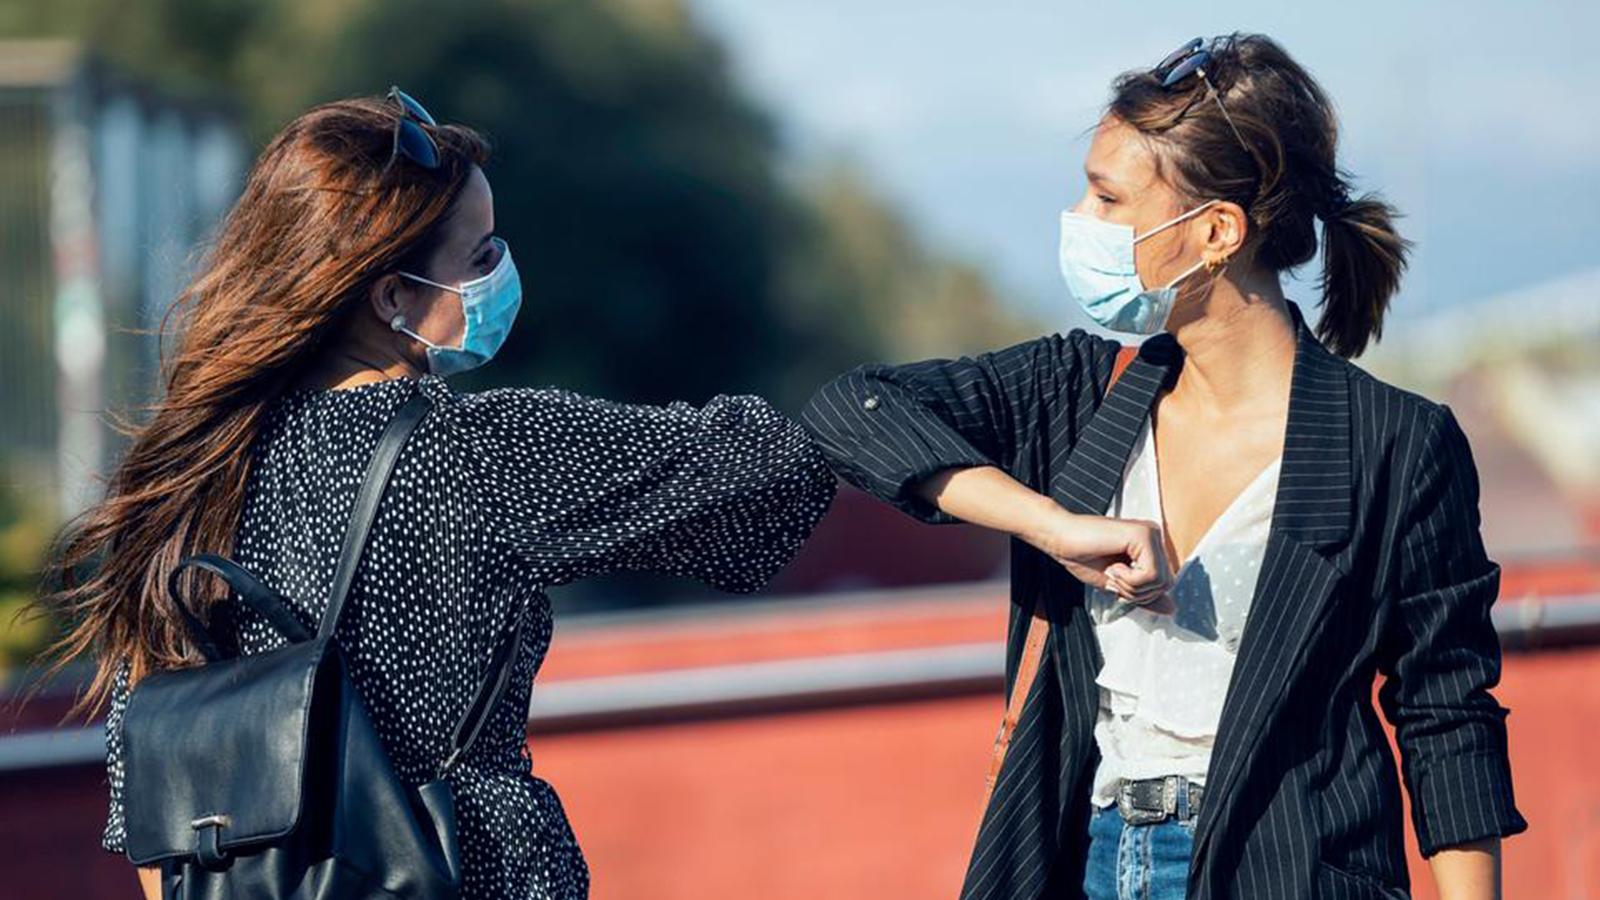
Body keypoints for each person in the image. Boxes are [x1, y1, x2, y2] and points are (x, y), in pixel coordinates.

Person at [33, 87, 837, 900]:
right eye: (480, 255)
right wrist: (905, 415)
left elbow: (147, 816)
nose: (500, 273)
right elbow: (762, 470)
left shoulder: (187, 477)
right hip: (464, 868)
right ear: (390, 297)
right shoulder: (473, 450)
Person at [802, 33, 1526, 900]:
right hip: (1090, 862)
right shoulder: (1075, 393)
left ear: (1216, 231)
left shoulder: (1395, 443)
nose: (1081, 220)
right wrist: (1049, 524)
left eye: (1109, 198)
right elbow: (851, 410)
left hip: (1291, 873)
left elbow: (1446, 712)